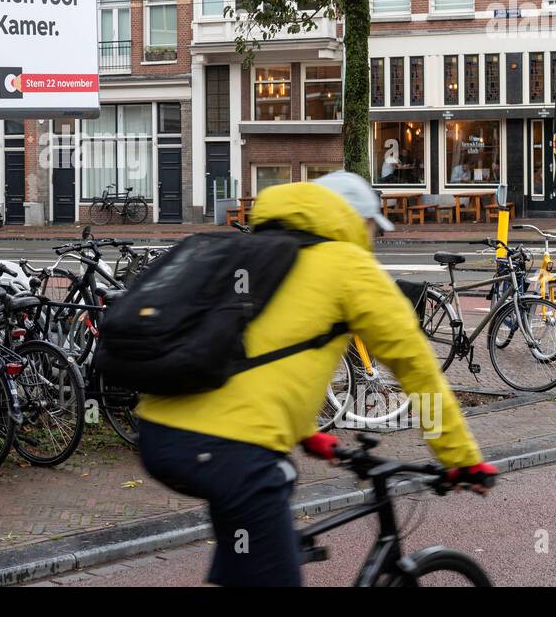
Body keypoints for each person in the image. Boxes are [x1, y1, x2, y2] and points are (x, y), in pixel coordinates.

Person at [135, 171, 495, 587]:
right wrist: (461, 460)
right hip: (229, 450)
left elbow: (261, 358)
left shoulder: (260, 251)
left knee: (244, 556)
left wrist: (308, 433)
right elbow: (418, 371)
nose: (374, 238)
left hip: (162, 433)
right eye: (374, 227)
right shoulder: (349, 267)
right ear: (356, 221)